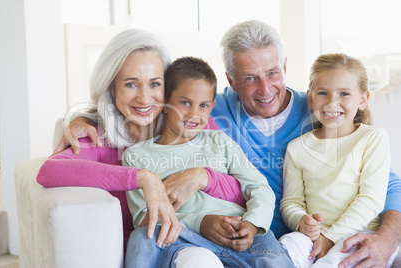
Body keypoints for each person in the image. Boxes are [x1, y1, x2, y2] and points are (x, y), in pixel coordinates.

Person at [55, 20, 401, 267]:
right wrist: (87, 118)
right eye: (249, 78)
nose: (265, 89)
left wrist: (388, 238)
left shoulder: (322, 112)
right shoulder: (208, 112)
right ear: (230, 81)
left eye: (272, 73)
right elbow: (157, 105)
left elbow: (386, 184)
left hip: (270, 236)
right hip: (224, 235)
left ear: (284, 66)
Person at [36, 28, 245, 260]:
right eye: (131, 84)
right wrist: (142, 178)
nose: (144, 98)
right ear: (111, 88)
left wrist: (201, 177)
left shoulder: (190, 124)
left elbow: (242, 193)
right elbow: (49, 171)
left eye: (155, 84)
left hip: (205, 250)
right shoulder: (97, 137)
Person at [122, 56, 294, 267]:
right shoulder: (138, 155)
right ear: (165, 103)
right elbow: (143, 217)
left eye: (203, 106)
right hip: (183, 238)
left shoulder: (220, 142)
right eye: (185, 103)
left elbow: (259, 187)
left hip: (238, 233)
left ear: (212, 106)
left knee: (275, 261)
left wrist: (252, 223)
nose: (194, 114)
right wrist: (200, 223)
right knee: (142, 238)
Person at [279, 53, 398, 267]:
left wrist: (330, 238)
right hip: (314, 237)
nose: (332, 102)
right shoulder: (297, 148)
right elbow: (291, 202)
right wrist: (301, 220)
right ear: (311, 97)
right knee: (286, 246)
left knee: (332, 263)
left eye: (344, 94)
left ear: (363, 100)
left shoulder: (372, 138)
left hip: (361, 234)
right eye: (323, 93)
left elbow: (371, 200)